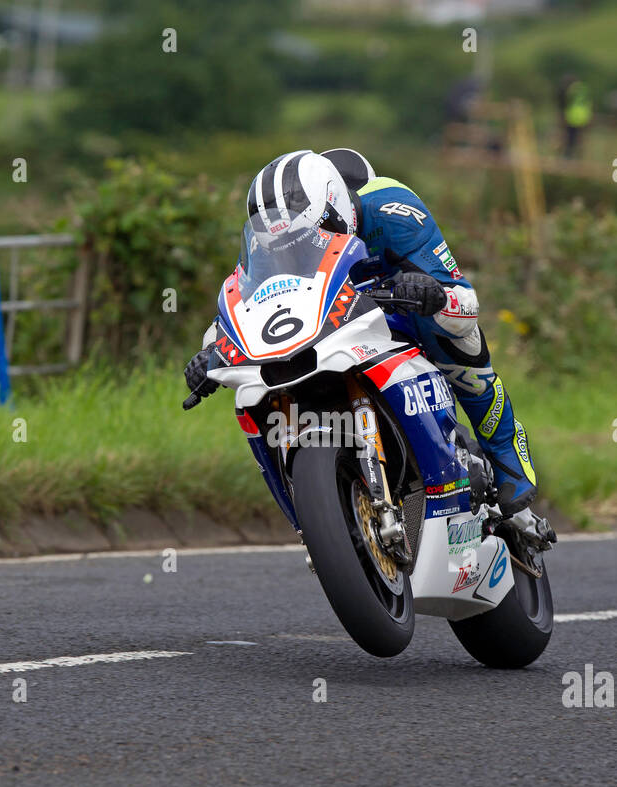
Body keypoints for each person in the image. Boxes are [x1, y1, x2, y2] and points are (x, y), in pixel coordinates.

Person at [183, 148, 538, 517]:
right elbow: (248, 301)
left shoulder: (395, 210)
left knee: (454, 335)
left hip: (396, 299)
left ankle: (506, 454)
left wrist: (432, 294)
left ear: (336, 209)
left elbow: (465, 305)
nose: (300, 246)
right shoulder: (268, 239)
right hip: (325, 317)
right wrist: (211, 350)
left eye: (311, 234)